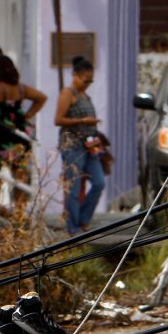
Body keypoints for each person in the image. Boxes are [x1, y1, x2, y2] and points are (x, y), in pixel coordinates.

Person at [54, 56, 107, 233]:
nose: (87, 84)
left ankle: (84, 218)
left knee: (99, 182)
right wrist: (83, 120)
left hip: (89, 145)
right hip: (72, 145)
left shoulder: (86, 96)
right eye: (84, 80)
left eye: (90, 80)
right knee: (74, 188)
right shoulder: (68, 94)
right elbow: (58, 119)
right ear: (75, 75)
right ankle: (73, 226)